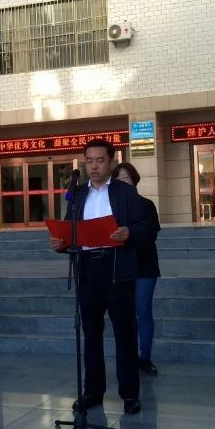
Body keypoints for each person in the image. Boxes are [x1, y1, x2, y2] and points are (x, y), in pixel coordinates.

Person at [49, 139, 149, 415]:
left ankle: (130, 394)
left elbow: (144, 227)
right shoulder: (78, 194)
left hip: (117, 269)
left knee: (124, 334)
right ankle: (93, 391)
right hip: (88, 270)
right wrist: (61, 244)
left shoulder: (125, 192)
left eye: (100, 160)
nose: (93, 166)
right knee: (91, 334)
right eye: (89, 161)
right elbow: (70, 231)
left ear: (112, 162)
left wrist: (129, 232)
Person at [112, 162, 161, 376]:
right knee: (125, 315)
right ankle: (129, 356)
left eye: (126, 178)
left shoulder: (146, 205)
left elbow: (150, 236)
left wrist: (128, 240)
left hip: (144, 267)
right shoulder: (111, 207)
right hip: (119, 268)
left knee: (143, 311)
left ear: (134, 180)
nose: (123, 182)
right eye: (118, 178)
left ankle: (145, 357)